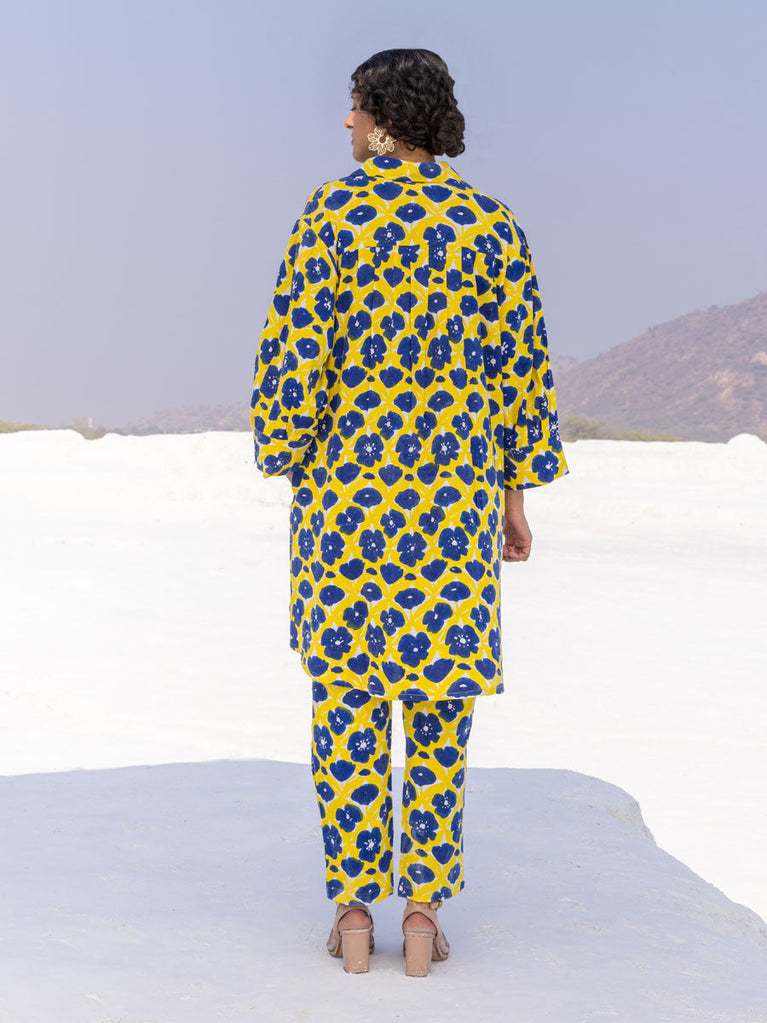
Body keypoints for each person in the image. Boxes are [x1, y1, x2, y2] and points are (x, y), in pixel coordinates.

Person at [250, 48, 567, 976]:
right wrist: (511, 495)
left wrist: (287, 452)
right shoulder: (489, 226)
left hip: (347, 503)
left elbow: (293, 358)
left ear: (385, 116)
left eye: (353, 107)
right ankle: (422, 915)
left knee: (347, 702)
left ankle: (354, 914)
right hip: (452, 504)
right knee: (437, 709)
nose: (346, 123)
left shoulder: (331, 215)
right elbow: (519, 374)